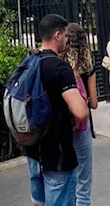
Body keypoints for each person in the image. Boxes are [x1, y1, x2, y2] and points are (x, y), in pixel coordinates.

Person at [23, 14, 90, 206]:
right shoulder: (60, 67)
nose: (67, 41)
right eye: (67, 36)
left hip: (33, 148)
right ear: (58, 35)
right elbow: (80, 112)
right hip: (57, 153)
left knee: (39, 201)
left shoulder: (28, 61)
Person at [63, 22, 97, 206]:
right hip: (82, 125)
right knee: (84, 177)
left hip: (63, 124)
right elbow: (94, 103)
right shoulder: (87, 67)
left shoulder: (59, 63)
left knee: (67, 175)